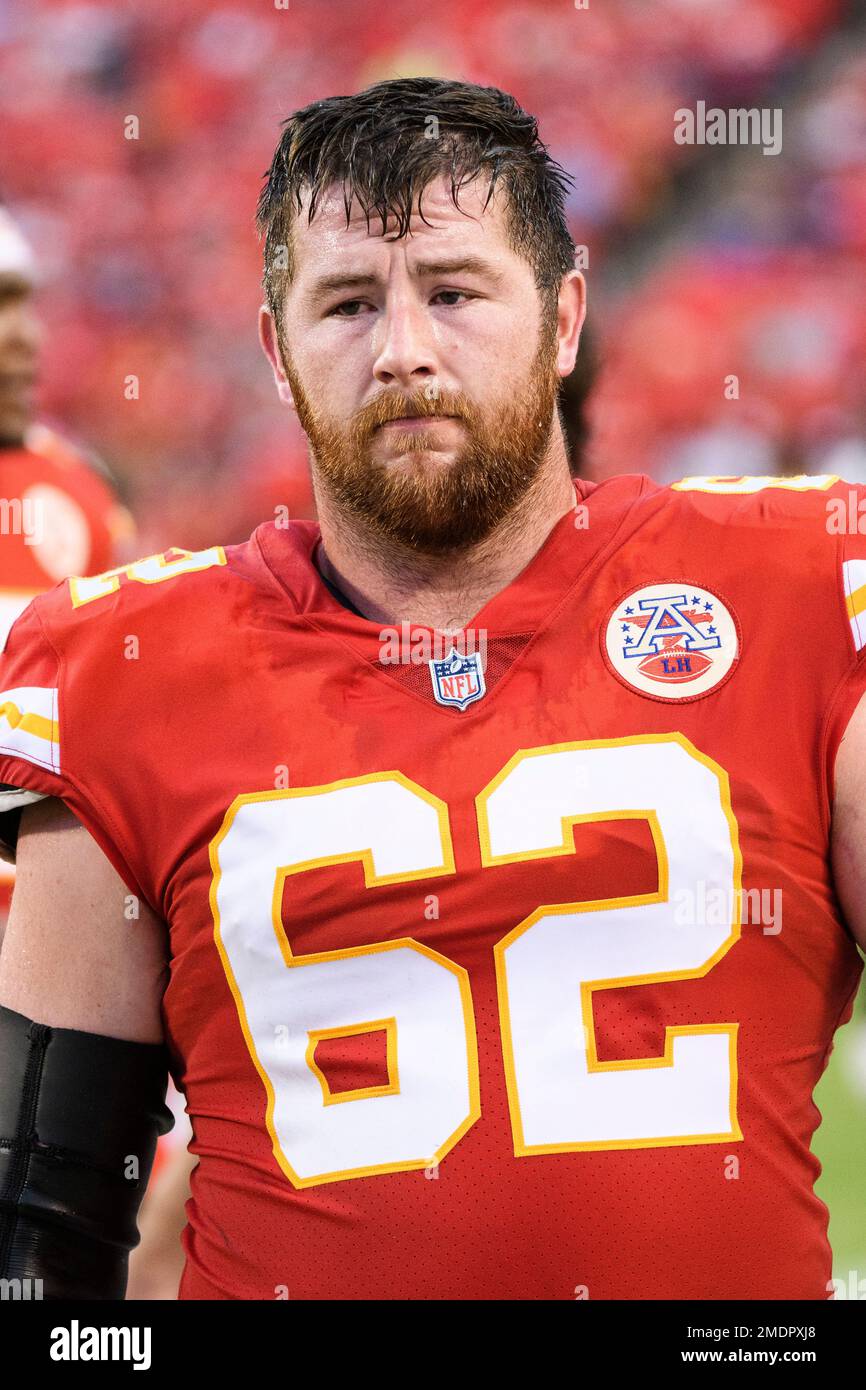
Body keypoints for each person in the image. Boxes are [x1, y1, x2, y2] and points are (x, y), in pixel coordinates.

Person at [0, 77, 865, 1301]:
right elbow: (38, 1225)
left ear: (562, 320)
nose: (403, 349)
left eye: (453, 292)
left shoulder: (795, 592)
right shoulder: (119, 669)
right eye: (347, 303)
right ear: (276, 350)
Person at [0, 207, 134, 936]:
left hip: (37, 934)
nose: (26, 337)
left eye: (25, 304)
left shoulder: (74, 491)